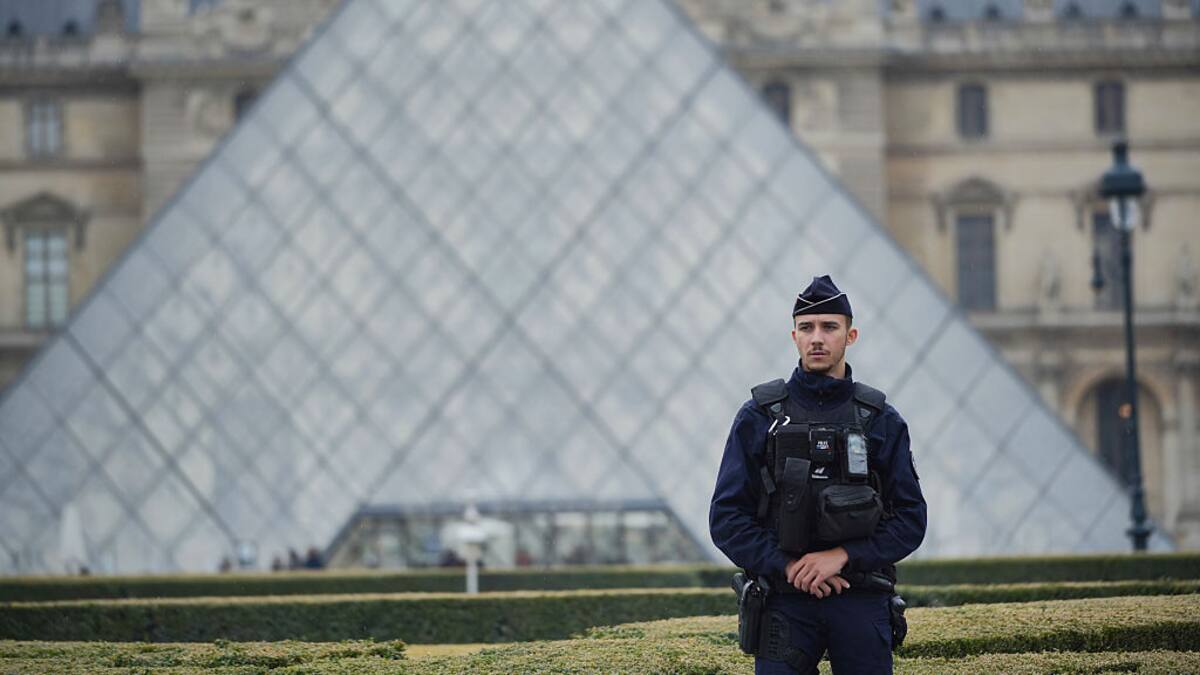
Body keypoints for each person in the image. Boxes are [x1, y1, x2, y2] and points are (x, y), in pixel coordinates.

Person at [710, 275, 927, 674]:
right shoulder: (759, 416)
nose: (817, 338)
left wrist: (842, 557)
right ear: (793, 336)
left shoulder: (880, 420)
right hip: (783, 603)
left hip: (860, 599)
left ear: (851, 334)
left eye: (830, 327)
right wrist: (789, 566)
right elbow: (726, 519)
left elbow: (911, 520)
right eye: (807, 328)